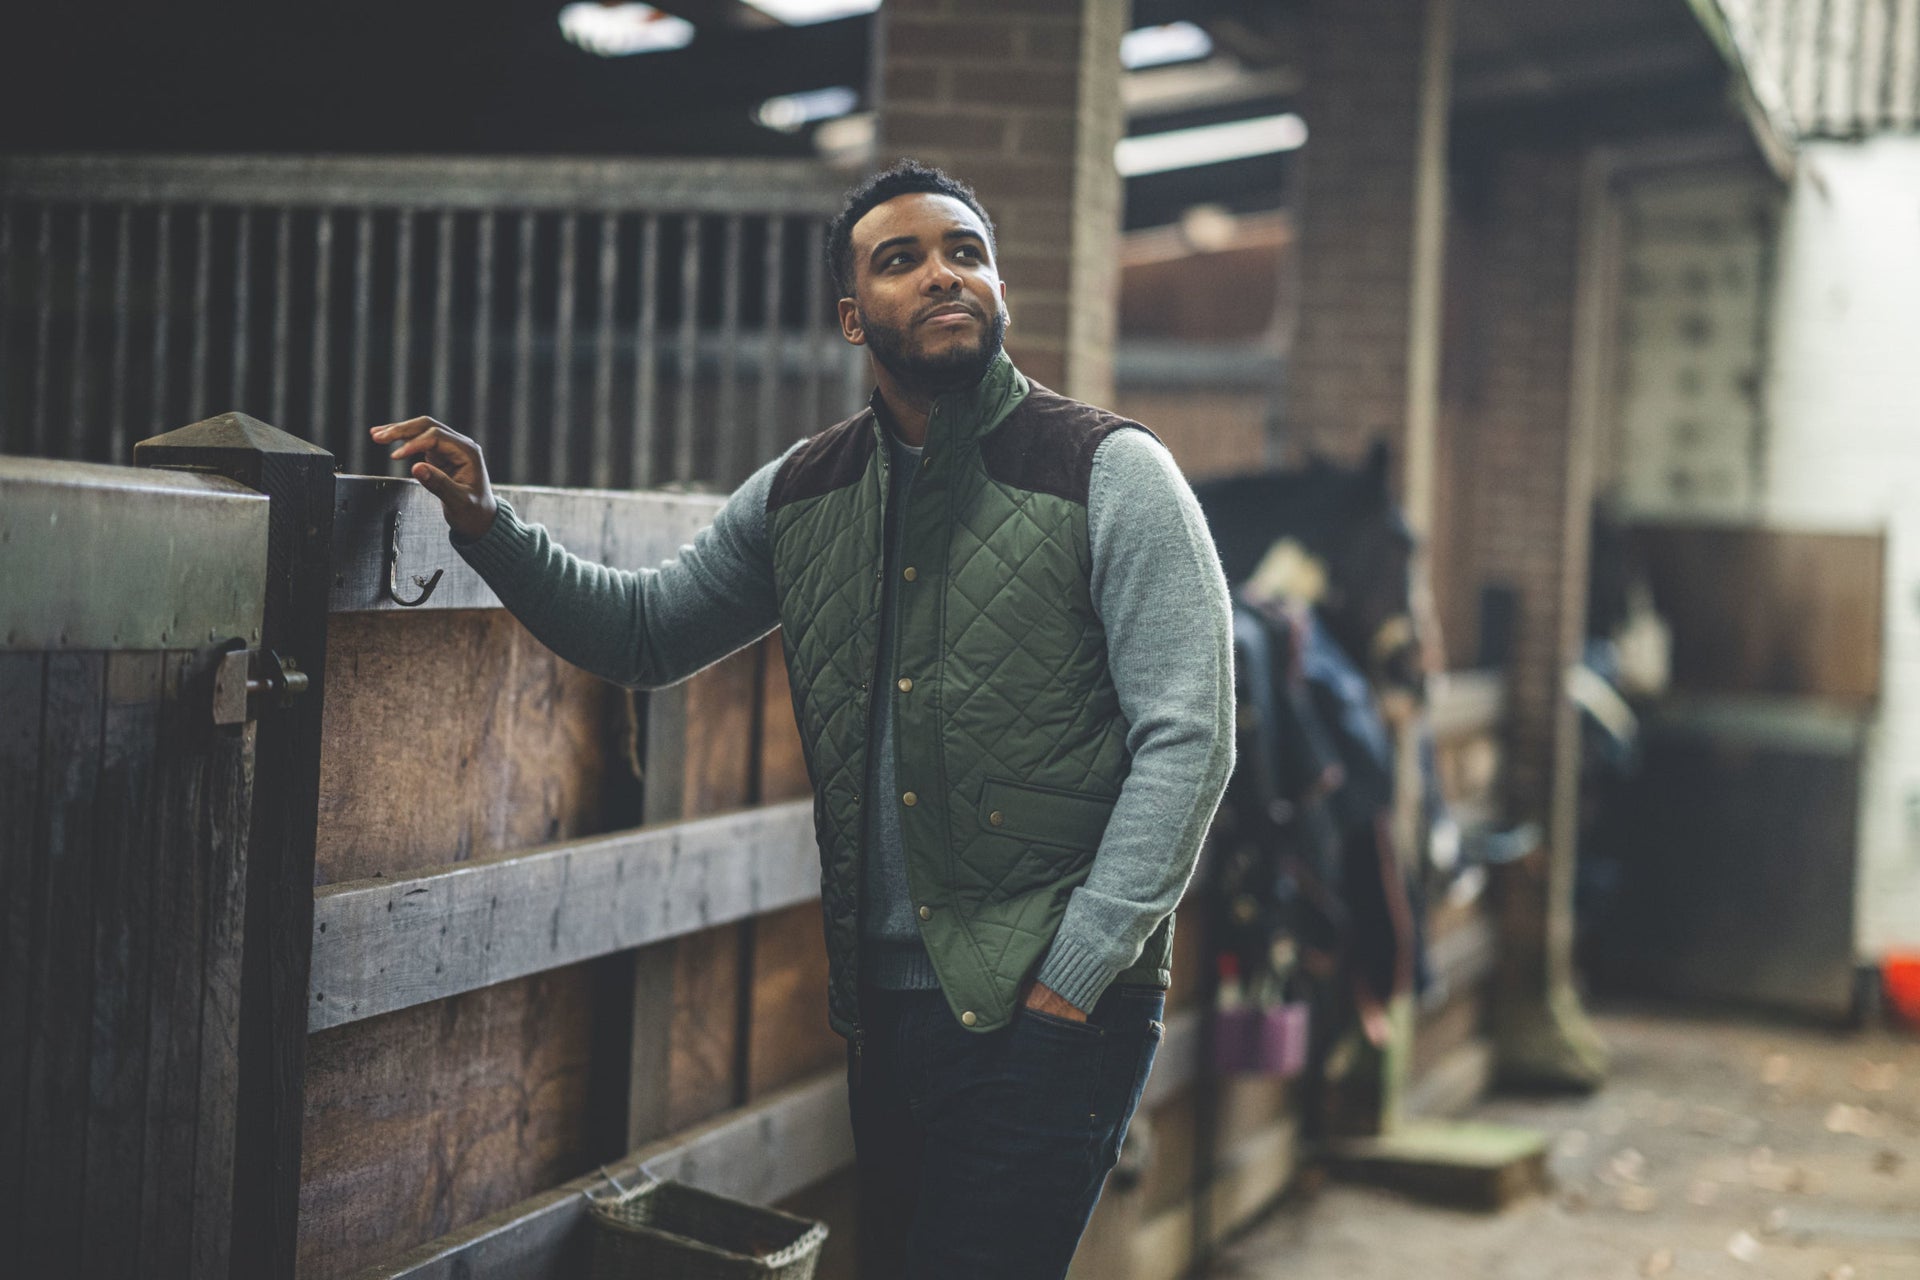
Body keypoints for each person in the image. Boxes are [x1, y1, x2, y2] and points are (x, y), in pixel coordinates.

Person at [369, 159, 1235, 1280]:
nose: (943, 275)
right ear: (849, 315)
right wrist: (490, 525)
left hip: (1059, 1007)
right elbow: (646, 632)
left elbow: (1193, 736)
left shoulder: (1113, 471)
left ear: (1001, 285)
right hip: (883, 1011)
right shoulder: (802, 493)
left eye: (965, 252)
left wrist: (1076, 972)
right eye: (903, 259)